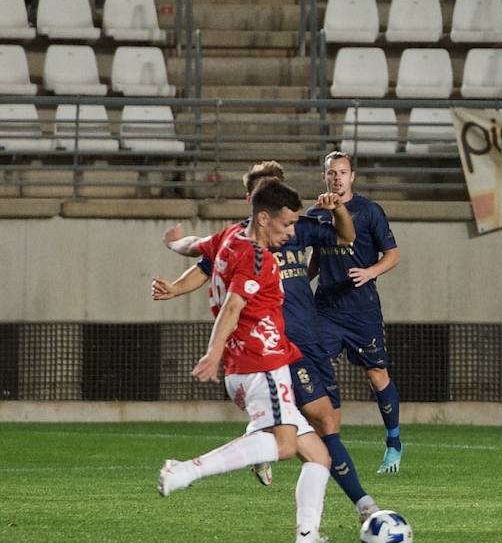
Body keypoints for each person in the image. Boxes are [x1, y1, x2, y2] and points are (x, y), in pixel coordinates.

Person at [154, 161, 381, 523]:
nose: (291, 230)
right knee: (305, 431)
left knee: (319, 445)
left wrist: (173, 245)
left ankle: (308, 541)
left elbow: (196, 247)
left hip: (292, 345)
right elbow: (222, 293)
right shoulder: (251, 253)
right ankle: (364, 506)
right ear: (260, 209)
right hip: (269, 352)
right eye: (286, 221)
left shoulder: (250, 235)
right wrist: (211, 349)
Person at [311, 151, 404, 473]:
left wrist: (370, 272)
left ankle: (393, 442)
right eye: (331, 172)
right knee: (311, 370)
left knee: (376, 375)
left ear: (352, 177)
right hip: (325, 309)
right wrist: (297, 282)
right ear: (324, 177)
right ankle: (323, 445)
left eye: (342, 172)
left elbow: (393, 255)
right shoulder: (316, 213)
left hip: (361, 310)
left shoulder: (369, 211)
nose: (337, 177)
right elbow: (317, 257)